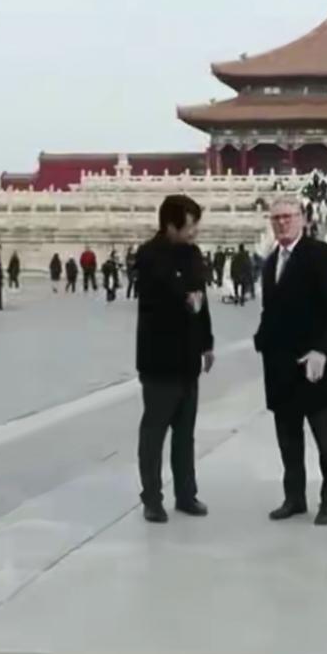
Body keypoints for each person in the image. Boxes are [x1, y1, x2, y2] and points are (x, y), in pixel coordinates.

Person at [255, 196, 327, 527]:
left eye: (288, 216)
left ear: (303, 219)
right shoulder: (270, 262)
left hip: (314, 364)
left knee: (325, 438)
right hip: (280, 366)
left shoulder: (322, 256)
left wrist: (322, 350)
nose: (282, 222)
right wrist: (261, 339)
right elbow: (271, 309)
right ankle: (294, 497)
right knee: (288, 439)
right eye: (276, 217)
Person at [136, 195, 215, 524]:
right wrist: (185, 295)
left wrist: (207, 344)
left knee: (185, 433)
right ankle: (152, 498)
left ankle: (186, 494)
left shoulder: (193, 254)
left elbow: (201, 300)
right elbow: (165, 295)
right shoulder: (148, 255)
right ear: (170, 225)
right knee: (154, 433)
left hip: (188, 359)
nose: (195, 231)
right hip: (159, 360)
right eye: (190, 225)